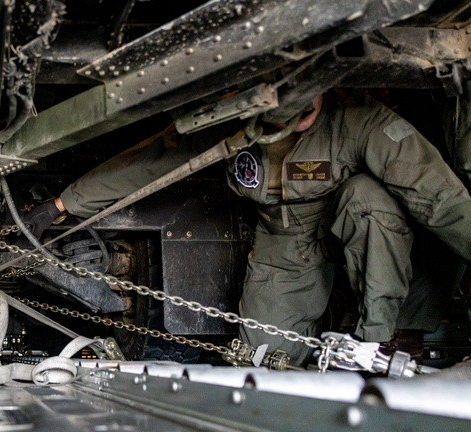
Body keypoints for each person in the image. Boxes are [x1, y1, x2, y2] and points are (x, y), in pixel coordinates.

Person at [24, 90, 471, 366]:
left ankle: (380, 340)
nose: (285, 127)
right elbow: (153, 161)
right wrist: (63, 204)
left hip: (357, 223)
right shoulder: (230, 120)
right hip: (286, 239)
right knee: (262, 362)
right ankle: (330, 319)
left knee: (366, 201)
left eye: (298, 117)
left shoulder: (362, 120)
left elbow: (442, 200)